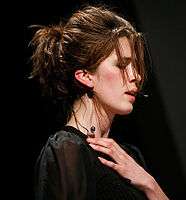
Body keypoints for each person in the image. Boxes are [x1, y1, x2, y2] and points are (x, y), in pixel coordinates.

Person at [29, 5, 170, 200]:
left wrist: (150, 185)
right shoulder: (67, 150)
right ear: (85, 76)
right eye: (122, 65)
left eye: (136, 65)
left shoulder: (129, 156)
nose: (136, 75)